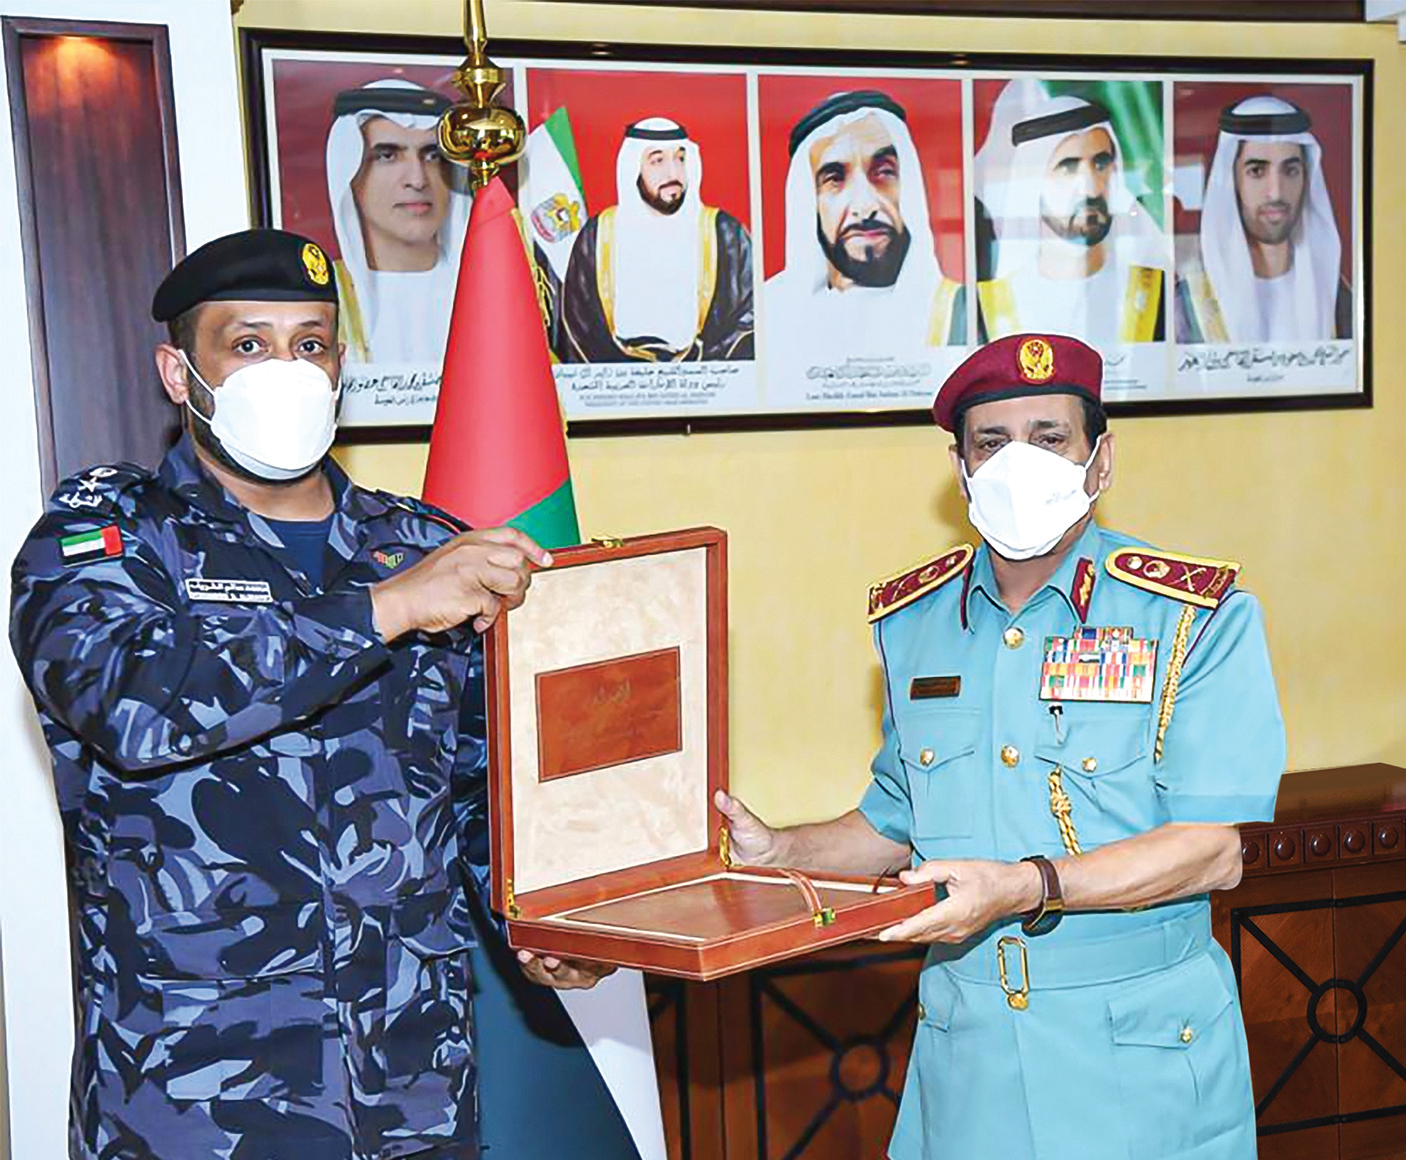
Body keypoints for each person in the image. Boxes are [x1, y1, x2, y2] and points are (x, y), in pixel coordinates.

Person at [9, 228, 609, 1160]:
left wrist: (546, 922)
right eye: (248, 344)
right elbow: (130, 702)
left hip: (411, 1084)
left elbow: (485, 786)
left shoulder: (422, 543)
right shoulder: (111, 533)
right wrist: (383, 610)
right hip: (198, 1095)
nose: (285, 369)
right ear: (179, 373)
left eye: (311, 343)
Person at [717, 332, 1285, 1159]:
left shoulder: (1193, 617)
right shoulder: (914, 623)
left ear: (1100, 461)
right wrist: (781, 851)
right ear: (961, 470)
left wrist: (1026, 886)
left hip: (1140, 1063)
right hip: (969, 1061)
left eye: (1049, 438)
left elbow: (1213, 851)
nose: (1020, 463)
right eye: (992, 443)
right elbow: (895, 825)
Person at [761, 89, 966, 363]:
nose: (865, 206)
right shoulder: (765, 317)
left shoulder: (961, 314)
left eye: (884, 172)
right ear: (810, 202)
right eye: (834, 179)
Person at [975, 82, 1166, 345]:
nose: (1091, 188)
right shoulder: (988, 307)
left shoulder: (1158, 294)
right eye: (1068, 167)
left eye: (1101, 163)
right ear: (1033, 185)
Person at [558, 117, 754, 362]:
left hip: (707, 376)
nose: (673, 173)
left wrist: (696, 364)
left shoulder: (725, 233)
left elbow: (747, 320)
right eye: (658, 161)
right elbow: (578, 323)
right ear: (633, 169)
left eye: (680, 159)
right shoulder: (598, 235)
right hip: (615, 379)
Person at [1175, 95, 1353, 345]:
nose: (1276, 192)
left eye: (1290, 170)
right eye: (1257, 171)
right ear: (1232, 181)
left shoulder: (1336, 297)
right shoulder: (1186, 305)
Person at [325, 79, 472, 364]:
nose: (417, 180)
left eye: (432, 156)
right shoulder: (323, 297)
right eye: (388, 156)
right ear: (350, 173)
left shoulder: (490, 292)